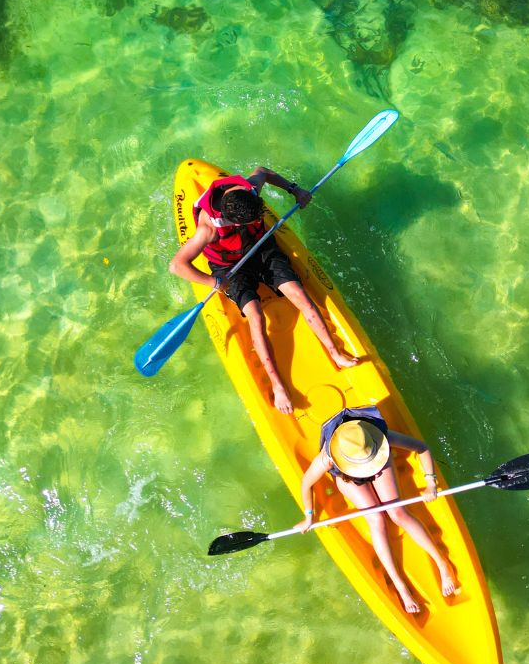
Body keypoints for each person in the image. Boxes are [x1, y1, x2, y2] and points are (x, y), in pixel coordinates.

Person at [169, 166, 358, 414]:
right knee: (256, 316)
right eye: (251, 220)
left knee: (299, 295)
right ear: (234, 221)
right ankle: (278, 386)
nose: (258, 219)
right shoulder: (208, 231)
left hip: (262, 249)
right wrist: (214, 283)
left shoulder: (250, 190)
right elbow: (177, 265)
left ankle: (335, 353)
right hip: (231, 267)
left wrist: (295, 190)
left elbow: (262, 171)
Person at [294, 406, 460, 613]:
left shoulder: (376, 438)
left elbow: (421, 447)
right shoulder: (328, 457)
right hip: (348, 476)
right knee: (376, 519)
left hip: (378, 461)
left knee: (398, 513)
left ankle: (441, 563)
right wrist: (308, 516)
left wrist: (431, 483)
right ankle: (400, 585)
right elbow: (306, 484)